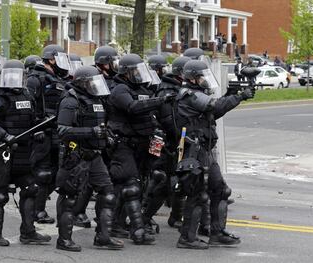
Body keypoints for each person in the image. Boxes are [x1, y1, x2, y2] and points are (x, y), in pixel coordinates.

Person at [175, 60, 255, 249]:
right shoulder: (189, 95)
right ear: (193, 78)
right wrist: (240, 97)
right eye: (202, 76)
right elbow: (214, 107)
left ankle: (217, 233)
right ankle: (187, 237)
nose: (205, 79)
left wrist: (231, 95)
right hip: (195, 152)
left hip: (206, 150)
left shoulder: (198, 94)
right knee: (197, 195)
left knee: (221, 190)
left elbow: (213, 113)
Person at [0, 59, 51, 246]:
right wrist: (4, 135)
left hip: (25, 152)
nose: (14, 80)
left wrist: (38, 131)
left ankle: (28, 233)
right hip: (4, 152)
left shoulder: (27, 96)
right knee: (0, 194)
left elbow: (32, 120)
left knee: (31, 188)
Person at [107, 54, 175, 245]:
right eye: (136, 70)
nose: (139, 73)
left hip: (143, 143)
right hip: (123, 144)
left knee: (132, 186)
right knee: (132, 187)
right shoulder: (119, 88)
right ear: (127, 72)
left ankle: (115, 223)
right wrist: (159, 101)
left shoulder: (143, 89)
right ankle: (138, 231)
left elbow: (153, 113)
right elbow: (133, 107)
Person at [55, 66, 124, 252]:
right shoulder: (71, 101)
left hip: (95, 156)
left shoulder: (97, 100)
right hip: (76, 155)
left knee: (108, 194)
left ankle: (103, 237)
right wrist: (91, 132)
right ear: (82, 83)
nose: (96, 85)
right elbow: (62, 131)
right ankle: (64, 240)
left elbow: (101, 124)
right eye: (92, 82)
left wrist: (106, 136)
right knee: (69, 198)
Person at [142, 56, 192, 232]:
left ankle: (175, 216)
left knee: (175, 180)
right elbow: (169, 121)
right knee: (159, 178)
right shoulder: (166, 92)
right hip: (164, 143)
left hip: (175, 143)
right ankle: (144, 215)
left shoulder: (179, 89)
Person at [27, 44, 71, 224]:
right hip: (42, 133)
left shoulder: (58, 79)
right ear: (52, 59)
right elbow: (28, 105)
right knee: (43, 173)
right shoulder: (35, 79)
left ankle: (38, 207)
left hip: (55, 132)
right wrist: (36, 128)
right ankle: (36, 211)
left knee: (54, 173)